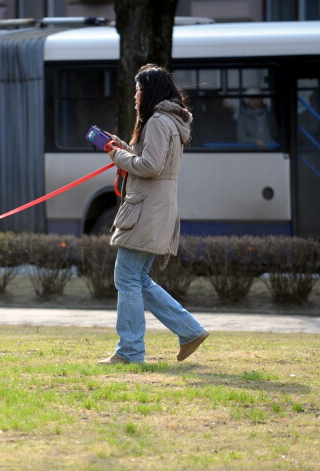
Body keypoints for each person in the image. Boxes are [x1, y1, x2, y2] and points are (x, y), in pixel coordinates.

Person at [100, 64, 209, 365]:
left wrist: (115, 154)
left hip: (147, 208)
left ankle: (130, 352)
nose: (135, 96)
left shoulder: (159, 121)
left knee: (127, 277)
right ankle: (190, 331)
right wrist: (122, 147)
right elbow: (149, 160)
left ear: (149, 91)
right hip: (155, 207)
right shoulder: (167, 120)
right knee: (138, 279)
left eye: (138, 90)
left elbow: (150, 167)